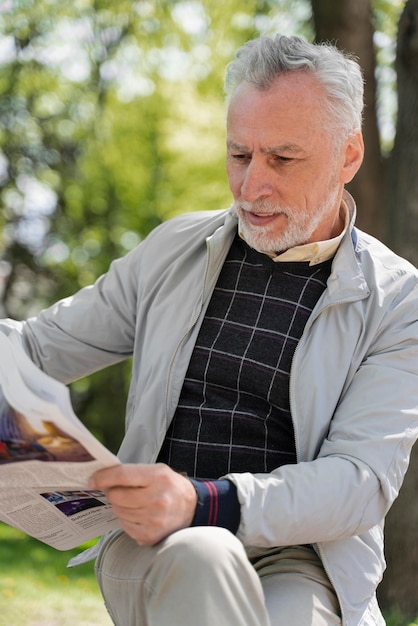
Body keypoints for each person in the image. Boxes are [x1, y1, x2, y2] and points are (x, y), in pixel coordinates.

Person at [1, 33, 418, 626]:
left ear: (348, 156)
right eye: (239, 155)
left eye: (282, 158)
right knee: (203, 549)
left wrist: (206, 501)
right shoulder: (173, 250)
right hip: (156, 547)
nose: (251, 188)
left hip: (300, 560)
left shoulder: (399, 301)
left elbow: (359, 482)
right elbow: (34, 349)